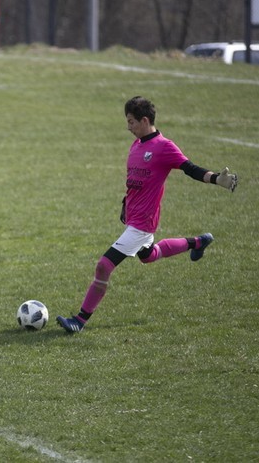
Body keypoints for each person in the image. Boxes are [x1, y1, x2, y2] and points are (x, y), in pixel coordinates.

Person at [56, 96, 237, 334]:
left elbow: (190, 169)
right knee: (148, 255)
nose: (128, 127)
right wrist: (126, 203)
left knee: (103, 266)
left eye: (131, 122)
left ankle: (79, 320)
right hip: (134, 218)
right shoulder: (137, 145)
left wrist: (216, 179)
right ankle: (197, 242)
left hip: (142, 224)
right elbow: (136, 181)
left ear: (144, 120)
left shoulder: (164, 147)